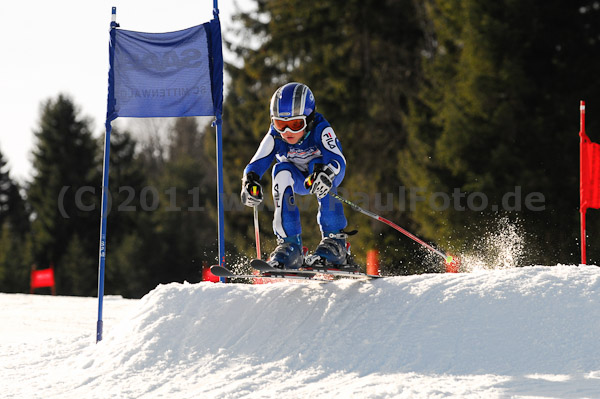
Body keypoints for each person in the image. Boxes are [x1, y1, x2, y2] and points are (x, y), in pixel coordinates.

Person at [240, 82, 355, 270]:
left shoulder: (320, 129)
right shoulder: (276, 136)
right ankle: (290, 245)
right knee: (281, 170)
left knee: (315, 166)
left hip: (321, 178)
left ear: (309, 119)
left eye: (295, 124)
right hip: (297, 179)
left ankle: (335, 243)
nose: (287, 132)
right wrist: (249, 181)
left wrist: (327, 173)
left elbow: (338, 160)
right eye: (280, 124)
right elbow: (255, 163)